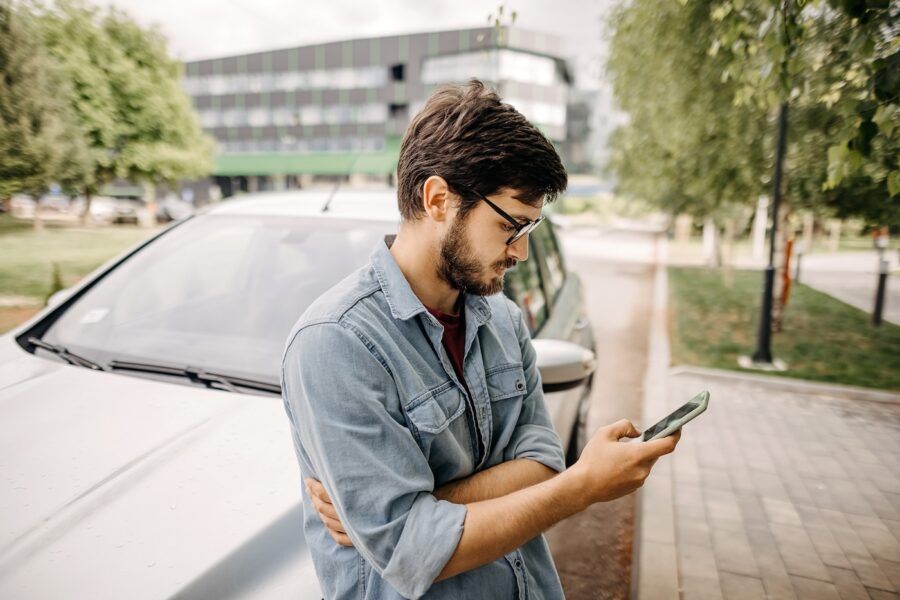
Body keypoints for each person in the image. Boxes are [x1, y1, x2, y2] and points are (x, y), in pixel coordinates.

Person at [280, 79, 680, 600]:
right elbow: (411, 550)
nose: (520, 254)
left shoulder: (502, 318)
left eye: (530, 231)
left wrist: (424, 507)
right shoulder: (336, 343)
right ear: (439, 199)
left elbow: (542, 458)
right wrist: (580, 488)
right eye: (512, 226)